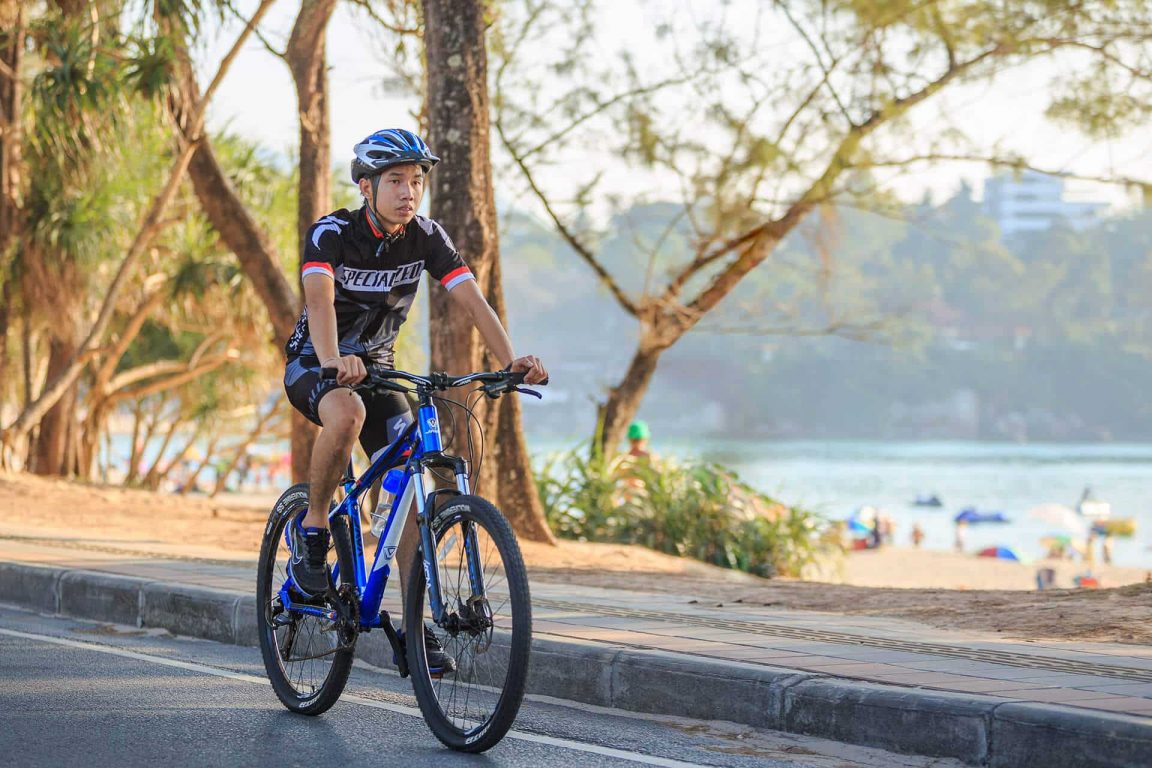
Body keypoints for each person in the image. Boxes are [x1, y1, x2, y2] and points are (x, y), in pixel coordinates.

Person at [282, 128, 548, 673]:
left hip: (376, 366)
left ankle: (414, 623)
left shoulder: (427, 236)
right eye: (396, 181)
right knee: (348, 413)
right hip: (318, 360)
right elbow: (321, 302)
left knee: (410, 482)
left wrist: (511, 360)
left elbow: (472, 300)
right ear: (365, 186)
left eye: (417, 181)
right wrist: (335, 362)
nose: (409, 192)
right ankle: (312, 528)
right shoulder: (331, 233)